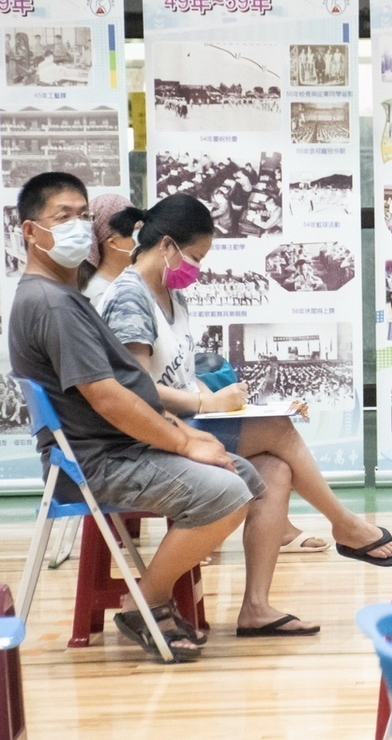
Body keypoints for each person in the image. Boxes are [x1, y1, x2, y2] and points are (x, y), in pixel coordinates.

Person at [97, 194, 392, 633]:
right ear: (166, 246)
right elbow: (137, 387)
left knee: (276, 471)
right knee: (278, 430)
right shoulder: (130, 298)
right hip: (152, 434)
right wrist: (206, 404)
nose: (197, 268)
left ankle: (256, 608)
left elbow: (179, 374)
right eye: (195, 256)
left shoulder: (170, 293)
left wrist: (223, 396)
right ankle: (346, 525)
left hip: (182, 420)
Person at [8, 172, 254, 661]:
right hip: (95, 465)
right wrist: (184, 442)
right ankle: (147, 601)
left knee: (241, 470)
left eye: (83, 216)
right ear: (31, 232)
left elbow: (130, 388)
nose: (79, 226)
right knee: (230, 490)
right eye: (63, 216)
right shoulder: (53, 304)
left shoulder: (64, 296)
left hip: (113, 451)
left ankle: (155, 598)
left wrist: (184, 432)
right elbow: (108, 398)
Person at [77, 194, 138, 307]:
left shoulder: (127, 281)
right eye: (135, 230)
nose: (140, 237)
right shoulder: (101, 295)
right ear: (113, 242)